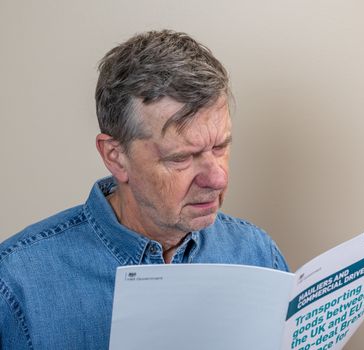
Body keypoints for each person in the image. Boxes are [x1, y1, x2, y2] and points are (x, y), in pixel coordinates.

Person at [0, 29, 289, 349]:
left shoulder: (258, 254)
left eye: (220, 147)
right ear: (116, 156)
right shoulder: (15, 283)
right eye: (181, 157)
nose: (217, 179)